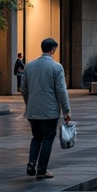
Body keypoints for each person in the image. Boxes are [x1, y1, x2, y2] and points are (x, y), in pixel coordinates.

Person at [22, 37, 72, 179]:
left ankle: (32, 162)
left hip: (33, 110)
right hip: (49, 111)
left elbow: (24, 89)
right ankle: (42, 170)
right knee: (48, 138)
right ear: (53, 50)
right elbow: (61, 91)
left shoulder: (29, 66)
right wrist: (66, 110)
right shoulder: (57, 67)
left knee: (36, 137)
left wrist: (29, 103)